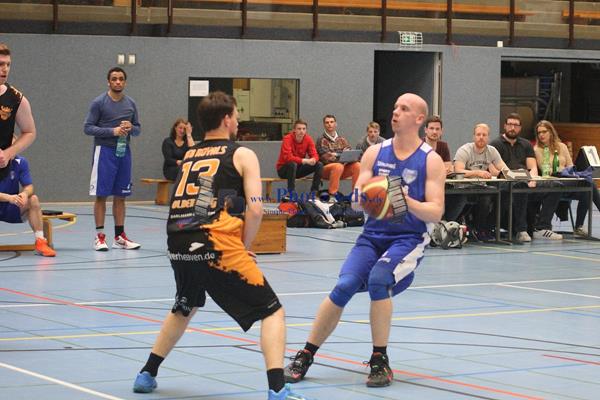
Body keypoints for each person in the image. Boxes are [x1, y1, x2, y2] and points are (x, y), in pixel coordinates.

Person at [132, 91, 311, 400]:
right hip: (213, 241)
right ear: (227, 119)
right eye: (237, 116)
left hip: (177, 238)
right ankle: (277, 390)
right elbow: (256, 208)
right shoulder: (242, 154)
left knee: (185, 305)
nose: (238, 121)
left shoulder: (191, 154)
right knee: (272, 312)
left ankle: (147, 373)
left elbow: (193, 203)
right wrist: (243, 245)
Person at [284, 93, 444, 387]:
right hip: (372, 236)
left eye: (404, 108)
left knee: (379, 280)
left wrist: (402, 200)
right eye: (395, 107)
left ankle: (380, 359)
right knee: (344, 286)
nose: (395, 112)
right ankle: (305, 354)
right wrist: (373, 194)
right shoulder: (374, 153)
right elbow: (357, 202)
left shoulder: (431, 160)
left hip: (407, 239)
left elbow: (436, 210)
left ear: (419, 119)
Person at [84, 67, 141, 251]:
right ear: (108, 82)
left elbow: (138, 129)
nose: (118, 82)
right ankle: (99, 237)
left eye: (121, 79)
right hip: (104, 153)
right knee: (101, 195)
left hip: (124, 152)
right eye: (114, 79)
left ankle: (119, 237)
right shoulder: (99, 103)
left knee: (121, 196)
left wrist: (131, 127)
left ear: (125, 82)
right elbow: (88, 128)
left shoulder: (131, 103)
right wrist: (112, 131)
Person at [490, 113, 562, 242]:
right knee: (520, 185)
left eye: (516, 125)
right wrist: (508, 176)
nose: (512, 128)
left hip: (527, 180)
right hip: (507, 182)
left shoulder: (526, 144)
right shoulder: (495, 144)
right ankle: (521, 230)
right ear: (505, 126)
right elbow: (493, 170)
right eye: (510, 124)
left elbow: (532, 167)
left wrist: (533, 179)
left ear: (520, 128)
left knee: (556, 185)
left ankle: (542, 227)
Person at [533, 120, 600, 237]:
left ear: (551, 132)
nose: (541, 135)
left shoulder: (562, 146)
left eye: (544, 132)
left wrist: (567, 172)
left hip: (568, 180)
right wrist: (562, 171)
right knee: (588, 184)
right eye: (539, 133)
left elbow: (570, 166)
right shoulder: (537, 149)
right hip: (553, 183)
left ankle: (578, 227)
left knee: (588, 186)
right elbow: (546, 170)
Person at [446, 123, 508, 241]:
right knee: (485, 197)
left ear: (488, 137)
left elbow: (503, 168)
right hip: (463, 188)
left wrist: (514, 174)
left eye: (484, 135)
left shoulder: (492, 151)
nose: (481, 137)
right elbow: (458, 171)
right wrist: (477, 173)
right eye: (478, 134)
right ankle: (476, 228)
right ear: (474, 136)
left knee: (502, 195)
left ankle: (486, 228)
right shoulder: (464, 150)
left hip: (481, 187)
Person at [0, 155, 55, 257]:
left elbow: (29, 186)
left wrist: (25, 193)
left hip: (11, 207)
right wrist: (8, 197)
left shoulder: (20, 162)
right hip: (8, 199)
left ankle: (40, 241)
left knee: (33, 199)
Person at [0, 43, 36, 180]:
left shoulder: (16, 99)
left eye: (8, 64)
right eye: (1, 64)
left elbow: (29, 132)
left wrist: (8, 153)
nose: (5, 69)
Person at [275, 119, 323, 200]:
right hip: (284, 170)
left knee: (319, 164)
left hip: (298, 169)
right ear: (294, 130)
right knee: (292, 164)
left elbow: (315, 154)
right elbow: (288, 157)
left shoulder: (308, 139)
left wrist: (314, 159)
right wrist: (304, 160)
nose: (302, 131)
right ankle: (291, 193)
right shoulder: (287, 138)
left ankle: (314, 193)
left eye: (304, 129)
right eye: (299, 129)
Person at [316, 115, 360, 198]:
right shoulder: (321, 139)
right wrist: (342, 154)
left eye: (331, 122)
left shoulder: (342, 139)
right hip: (325, 170)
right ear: (324, 125)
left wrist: (336, 154)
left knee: (357, 165)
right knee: (338, 166)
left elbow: (349, 154)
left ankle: (356, 195)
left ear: (335, 124)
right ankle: (332, 195)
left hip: (341, 169)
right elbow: (327, 158)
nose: (329, 124)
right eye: (327, 122)